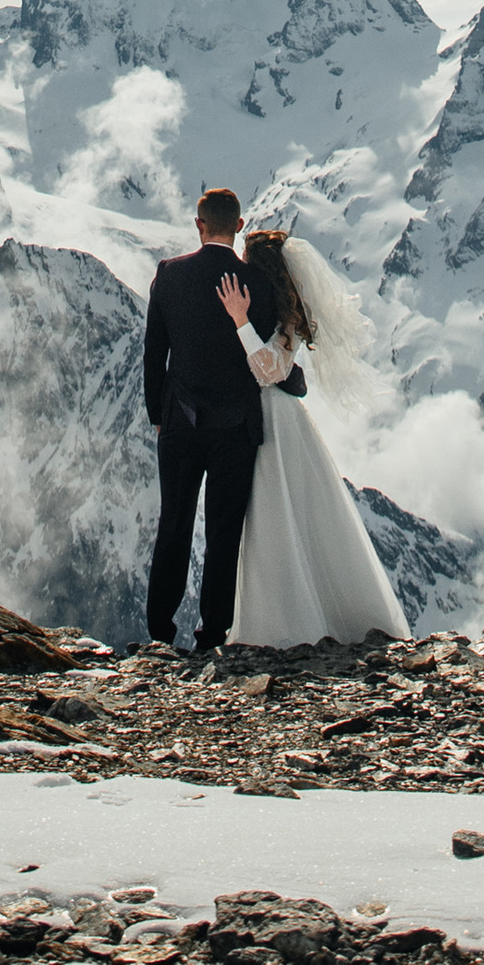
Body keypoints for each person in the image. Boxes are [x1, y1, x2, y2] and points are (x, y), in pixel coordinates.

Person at [217, 225, 408, 650]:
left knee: (277, 513)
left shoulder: (287, 318)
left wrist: (240, 320)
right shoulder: (284, 311)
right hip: (272, 418)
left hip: (276, 423)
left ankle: (285, 625)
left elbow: (270, 370)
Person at [142, 185, 284, 652]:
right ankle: (213, 634)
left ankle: (160, 632)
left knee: (175, 524)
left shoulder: (170, 274)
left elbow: (154, 353)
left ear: (198, 225)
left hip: (180, 422)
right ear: (239, 226)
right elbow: (263, 356)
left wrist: (156, 413)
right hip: (236, 428)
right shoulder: (259, 284)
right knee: (224, 531)